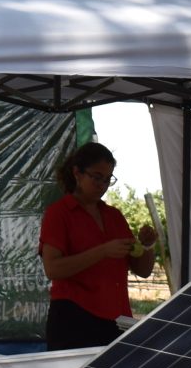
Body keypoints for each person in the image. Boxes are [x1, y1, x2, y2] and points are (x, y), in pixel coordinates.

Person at [37, 141, 155, 351]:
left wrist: (147, 246)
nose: (102, 184)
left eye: (108, 179)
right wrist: (102, 251)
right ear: (77, 173)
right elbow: (52, 269)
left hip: (117, 321)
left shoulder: (114, 216)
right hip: (74, 319)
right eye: (96, 177)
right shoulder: (59, 213)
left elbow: (144, 270)